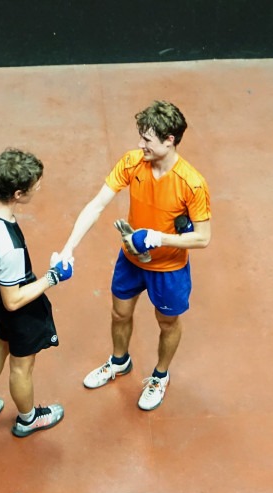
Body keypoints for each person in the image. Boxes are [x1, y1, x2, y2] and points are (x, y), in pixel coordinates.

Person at [59, 100, 211, 411]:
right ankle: (119, 361)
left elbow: (203, 237)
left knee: (167, 322)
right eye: (141, 137)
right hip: (130, 259)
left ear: (169, 141)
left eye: (147, 139)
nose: (140, 145)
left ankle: (160, 375)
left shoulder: (192, 183)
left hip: (168, 268)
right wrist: (68, 247)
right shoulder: (132, 163)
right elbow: (97, 204)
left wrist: (157, 238)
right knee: (119, 313)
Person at [0, 148, 72, 437]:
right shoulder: (8, 245)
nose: (39, 187)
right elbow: (13, 301)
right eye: (35, 185)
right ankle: (28, 419)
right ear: (18, 194)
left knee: (1, 341)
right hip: (16, 308)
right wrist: (53, 277)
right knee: (21, 367)